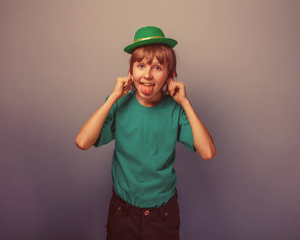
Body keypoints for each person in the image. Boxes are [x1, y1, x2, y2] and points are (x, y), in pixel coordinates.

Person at [75, 26, 216, 240]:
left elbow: (207, 152)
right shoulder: (119, 104)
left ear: (170, 74)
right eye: (141, 66)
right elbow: (83, 142)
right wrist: (113, 97)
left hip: (162, 214)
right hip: (123, 211)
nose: (147, 75)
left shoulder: (176, 110)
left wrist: (185, 103)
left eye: (157, 67)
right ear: (131, 71)